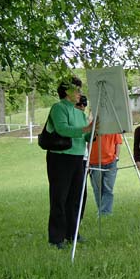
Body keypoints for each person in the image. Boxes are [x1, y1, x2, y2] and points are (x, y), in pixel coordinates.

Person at [46, 76, 94, 249]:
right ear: (67, 91)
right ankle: (56, 238)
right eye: (77, 89)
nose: (80, 93)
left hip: (77, 158)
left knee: (76, 198)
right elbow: (62, 129)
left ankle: (72, 233)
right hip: (60, 158)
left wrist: (95, 131)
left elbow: (87, 136)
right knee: (59, 197)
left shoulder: (79, 113)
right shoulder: (58, 108)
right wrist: (86, 129)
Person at [89, 133, 122, 216]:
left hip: (111, 162)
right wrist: (88, 160)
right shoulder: (93, 126)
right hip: (95, 162)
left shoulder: (113, 126)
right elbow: (88, 142)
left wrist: (116, 157)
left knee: (108, 188)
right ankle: (102, 210)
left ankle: (105, 213)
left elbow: (118, 142)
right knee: (98, 189)